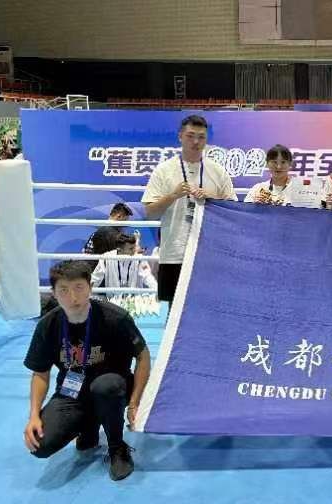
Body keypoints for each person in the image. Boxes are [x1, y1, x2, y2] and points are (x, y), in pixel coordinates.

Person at [23, 260, 151, 481]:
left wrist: (135, 401)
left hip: (113, 387)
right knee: (40, 445)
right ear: (53, 293)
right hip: (72, 392)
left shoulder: (115, 318)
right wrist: (33, 415)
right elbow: (40, 373)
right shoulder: (48, 325)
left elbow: (143, 356)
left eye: (79, 287)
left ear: (90, 287)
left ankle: (117, 447)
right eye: (64, 290)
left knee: (105, 387)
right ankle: (89, 424)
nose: (72, 297)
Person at [142, 115, 237, 305]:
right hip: (174, 254)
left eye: (201, 137)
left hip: (209, 255)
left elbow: (233, 210)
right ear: (180, 136)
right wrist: (173, 195)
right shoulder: (164, 170)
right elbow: (150, 212)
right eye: (190, 136)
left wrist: (212, 197)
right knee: (174, 311)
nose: (196, 142)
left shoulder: (218, 171)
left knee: (210, 307)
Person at [83, 202, 134, 271]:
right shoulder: (109, 233)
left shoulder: (104, 230)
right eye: (125, 220)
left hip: (91, 269)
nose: (126, 224)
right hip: (96, 272)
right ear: (119, 216)